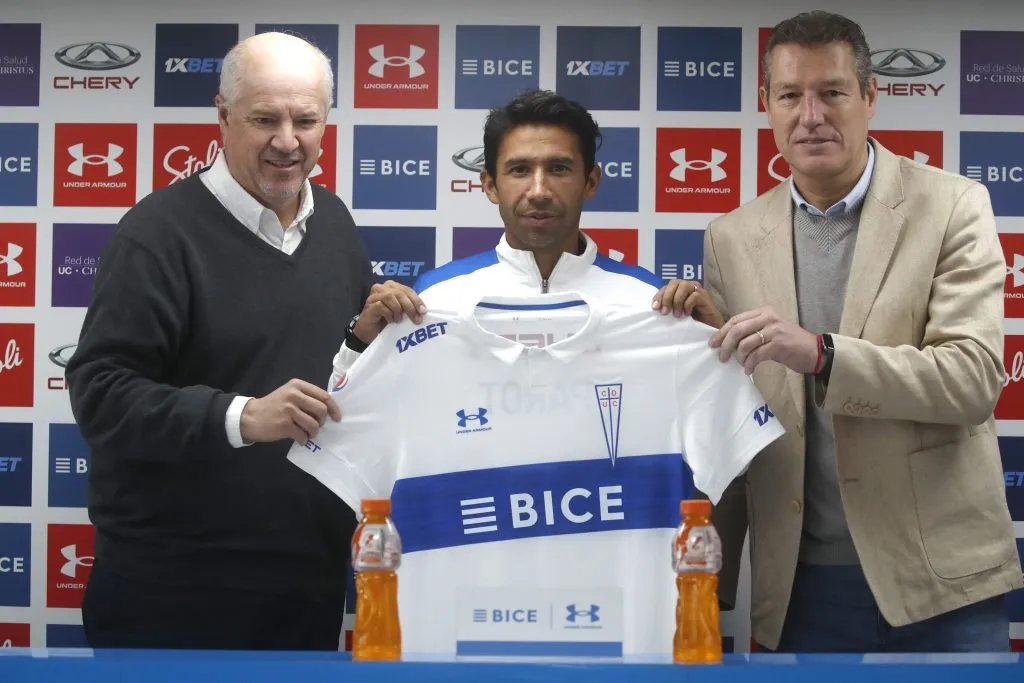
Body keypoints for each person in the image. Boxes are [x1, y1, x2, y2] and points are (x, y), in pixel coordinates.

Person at [661, 10, 1021, 653]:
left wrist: (821, 354)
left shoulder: (954, 205)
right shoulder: (731, 238)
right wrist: (708, 587)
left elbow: (971, 382)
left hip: (942, 581)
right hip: (799, 587)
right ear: (765, 104)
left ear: (871, 97)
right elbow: (735, 421)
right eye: (792, 95)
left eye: (832, 92)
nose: (812, 115)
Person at [66, 32, 422, 651]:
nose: (287, 141)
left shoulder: (333, 221)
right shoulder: (156, 235)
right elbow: (100, 393)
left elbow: (327, 374)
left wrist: (362, 339)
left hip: (304, 584)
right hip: (174, 594)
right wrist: (243, 415)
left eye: (305, 120)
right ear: (224, 117)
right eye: (265, 119)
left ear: (325, 123)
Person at [328, 89, 720, 386]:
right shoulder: (434, 298)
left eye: (559, 168)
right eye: (519, 170)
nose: (539, 190)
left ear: (591, 182)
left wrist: (717, 348)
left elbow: (718, 423)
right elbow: (352, 416)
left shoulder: (651, 302)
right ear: (490, 185)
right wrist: (360, 344)